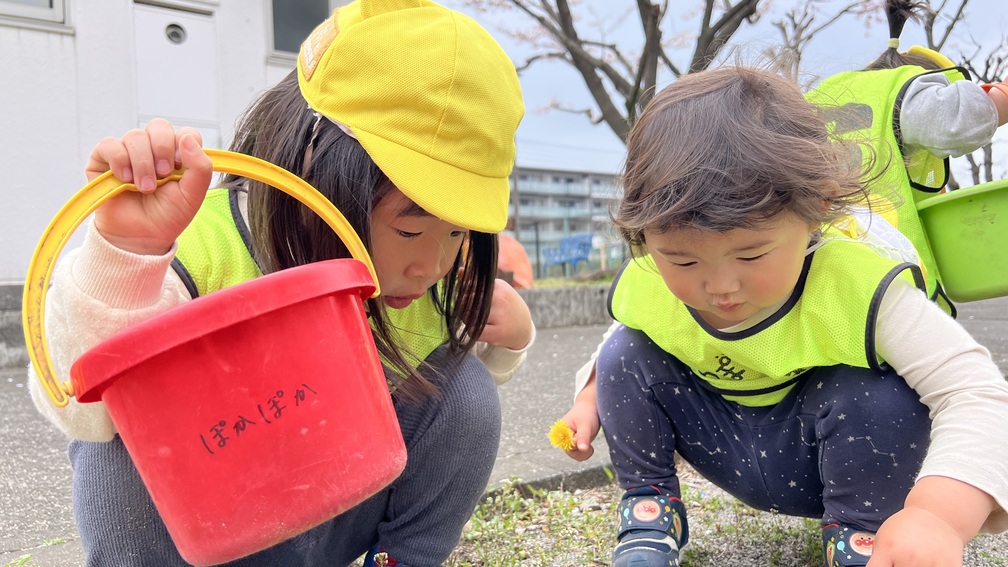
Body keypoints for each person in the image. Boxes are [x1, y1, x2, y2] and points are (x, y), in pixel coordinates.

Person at [27, 1, 535, 565]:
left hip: (327, 517)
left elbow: (451, 418)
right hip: (210, 534)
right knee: (126, 427)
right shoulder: (201, 245)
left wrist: (508, 343)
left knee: (463, 389)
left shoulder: (410, 284)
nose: (432, 265)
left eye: (458, 233)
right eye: (410, 230)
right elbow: (84, 415)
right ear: (316, 159)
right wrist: (128, 257)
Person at [557, 65, 1008, 567]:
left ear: (817, 207)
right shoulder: (651, 278)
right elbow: (625, 335)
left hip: (836, 455)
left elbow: (974, 390)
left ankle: (861, 535)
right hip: (726, 443)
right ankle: (649, 510)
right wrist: (590, 395)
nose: (720, 287)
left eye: (751, 255)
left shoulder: (856, 285)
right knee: (626, 348)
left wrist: (939, 515)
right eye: (682, 260)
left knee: (883, 389)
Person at [806, 0, 1008, 316]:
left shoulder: (821, 98)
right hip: (890, 286)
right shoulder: (906, 96)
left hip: (812, 282)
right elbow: (964, 117)